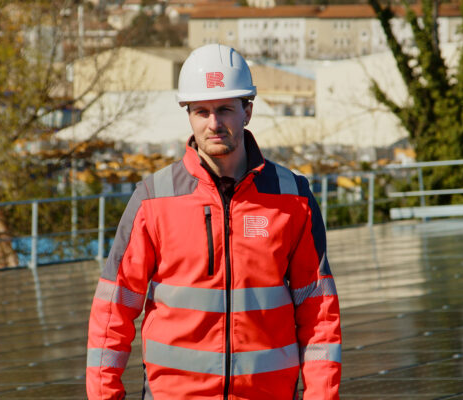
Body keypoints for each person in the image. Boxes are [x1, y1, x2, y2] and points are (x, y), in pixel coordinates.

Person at [86, 43, 341, 399]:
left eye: (225, 109)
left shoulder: (293, 198)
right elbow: (113, 309)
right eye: (201, 111)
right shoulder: (153, 199)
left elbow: (319, 313)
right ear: (188, 115)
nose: (214, 123)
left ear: (247, 111)